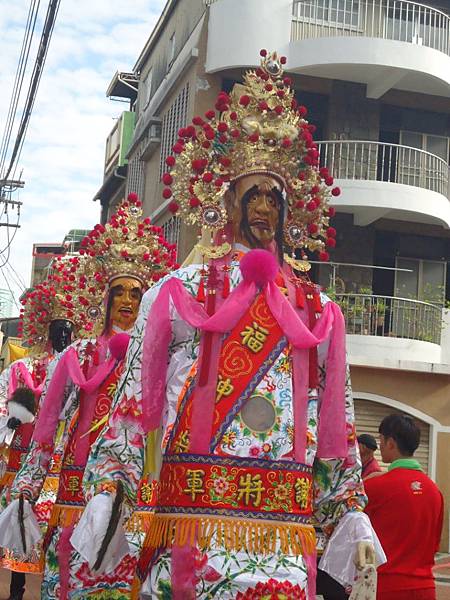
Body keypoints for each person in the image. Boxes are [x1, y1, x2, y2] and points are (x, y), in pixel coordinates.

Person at [79, 50, 382, 600]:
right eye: (254, 193)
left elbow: (334, 418)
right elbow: (135, 402)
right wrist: (112, 484)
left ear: (293, 210)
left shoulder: (318, 311)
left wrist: (347, 508)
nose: (264, 207)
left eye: (275, 195)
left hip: (284, 531)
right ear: (226, 200)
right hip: (190, 520)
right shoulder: (179, 292)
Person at [0, 194, 177, 600]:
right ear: (106, 301)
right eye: (120, 293)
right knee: (71, 579)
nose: (128, 302)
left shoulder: (160, 357)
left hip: (139, 489)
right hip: (77, 486)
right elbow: (47, 425)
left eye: (137, 293)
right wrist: (28, 483)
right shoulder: (79, 355)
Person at [0, 276, 75, 600]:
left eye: (68, 330)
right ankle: (16, 588)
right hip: (23, 460)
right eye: (58, 328)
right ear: (45, 329)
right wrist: (10, 421)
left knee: (55, 527)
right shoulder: (20, 369)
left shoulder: (78, 367)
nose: (63, 335)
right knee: (21, 519)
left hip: (60, 461)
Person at [365, 414, 443, 600]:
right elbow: (434, 546)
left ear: (391, 442)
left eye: (381, 440)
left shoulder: (374, 487)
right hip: (426, 589)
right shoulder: (435, 492)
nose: (380, 445)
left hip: (387, 588)